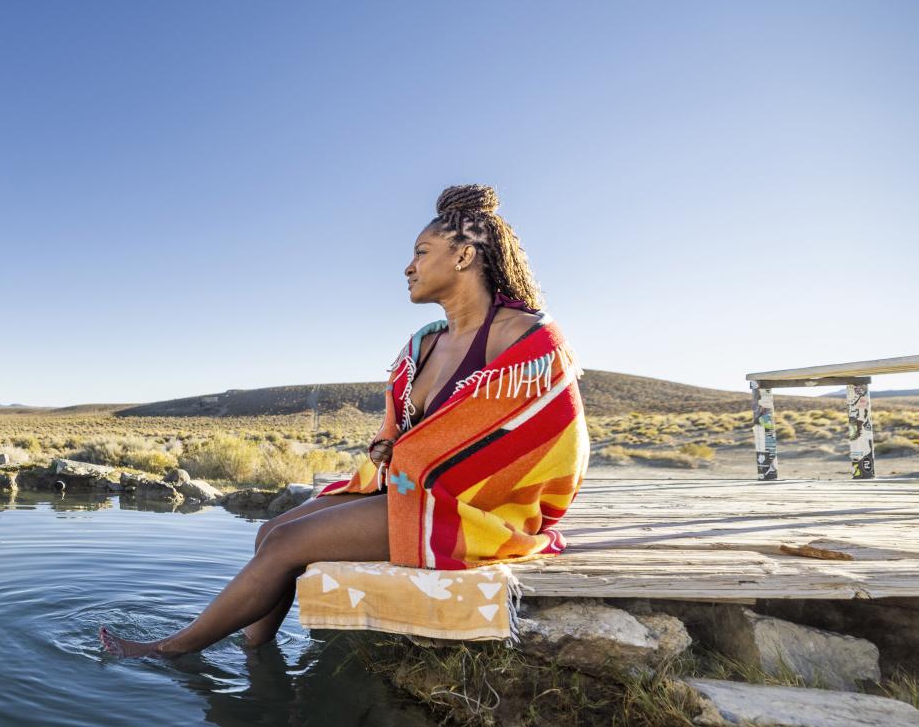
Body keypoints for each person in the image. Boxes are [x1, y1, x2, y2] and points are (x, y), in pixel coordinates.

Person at [101, 184, 588, 658]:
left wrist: (426, 465)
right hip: (402, 488)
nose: (408, 266)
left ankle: (170, 651)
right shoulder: (425, 342)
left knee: (289, 542)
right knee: (268, 533)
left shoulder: (529, 341)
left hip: (471, 508)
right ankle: (254, 653)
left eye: (422, 251)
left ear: (463, 257)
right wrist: (389, 454)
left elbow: (553, 440)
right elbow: (403, 432)